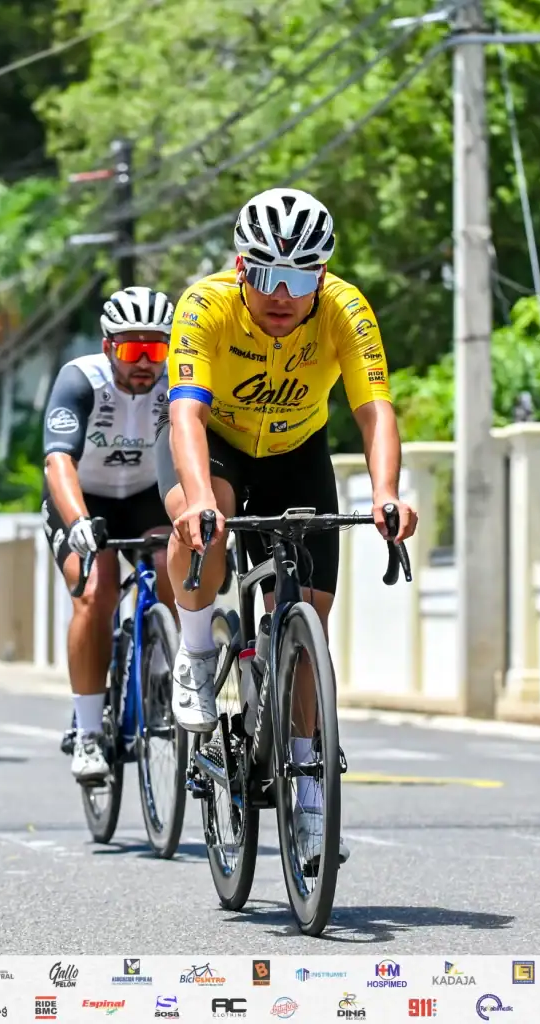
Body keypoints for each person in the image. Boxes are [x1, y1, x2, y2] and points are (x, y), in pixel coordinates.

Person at [155, 187, 419, 866]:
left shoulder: (345, 309)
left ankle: (306, 786)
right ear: (240, 269)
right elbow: (184, 412)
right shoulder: (203, 304)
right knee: (203, 527)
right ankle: (194, 650)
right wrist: (192, 504)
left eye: (299, 278)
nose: (281, 294)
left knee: (307, 617)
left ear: (321, 277)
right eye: (266, 275)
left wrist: (386, 492)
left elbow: (373, 410)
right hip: (212, 443)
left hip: (296, 452)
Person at [42, 285, 176, 784]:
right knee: (95, 591)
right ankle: (88, 730)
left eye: (156, 348)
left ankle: (161, 665)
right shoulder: (80, 380)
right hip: (85, 496)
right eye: (131, 348)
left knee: (171, 562)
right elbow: (58, 460)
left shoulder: (177, 381)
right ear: (107, 348)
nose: (145, 361)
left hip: (145, 495)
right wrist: (76, 522)